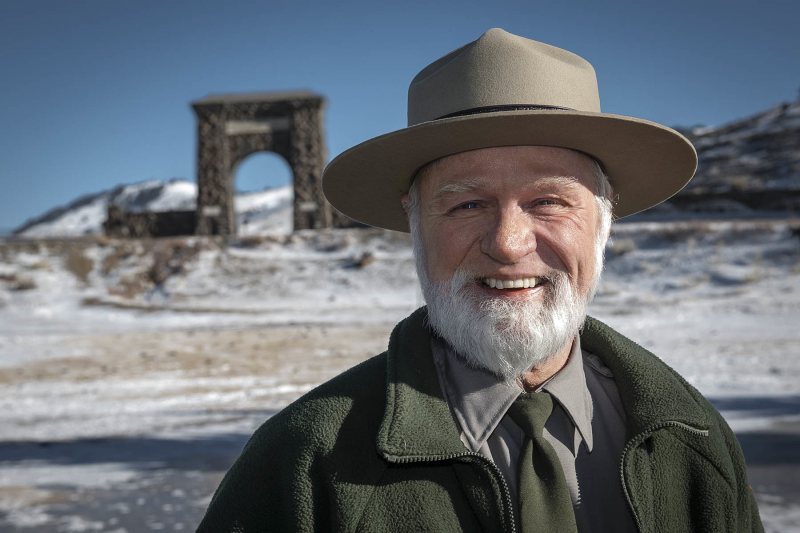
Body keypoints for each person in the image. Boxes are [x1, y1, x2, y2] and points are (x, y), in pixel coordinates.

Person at [197, 28, 763, 532]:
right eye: (467, 204)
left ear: (605, 217)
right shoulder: (300, 463)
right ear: (414, 222)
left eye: (548, 201)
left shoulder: (695, 442)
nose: (508, 242)